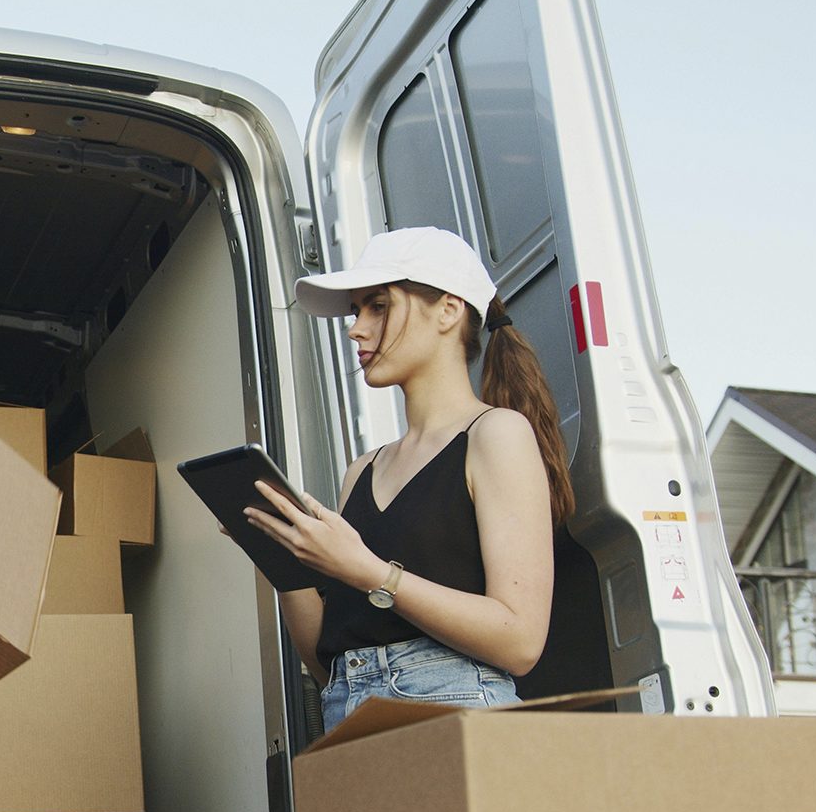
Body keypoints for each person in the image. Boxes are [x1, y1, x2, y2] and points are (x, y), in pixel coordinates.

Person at [244, 227, 574, 732]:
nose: (356, 329)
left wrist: (370, 572)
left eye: (377, 306)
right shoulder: (362, 469)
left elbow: (521, 639)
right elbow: (326, 662)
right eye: (357, 312)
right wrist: (278, 558)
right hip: (349, 715)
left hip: (456, 709)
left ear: (448, 310)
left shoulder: (496, 434)